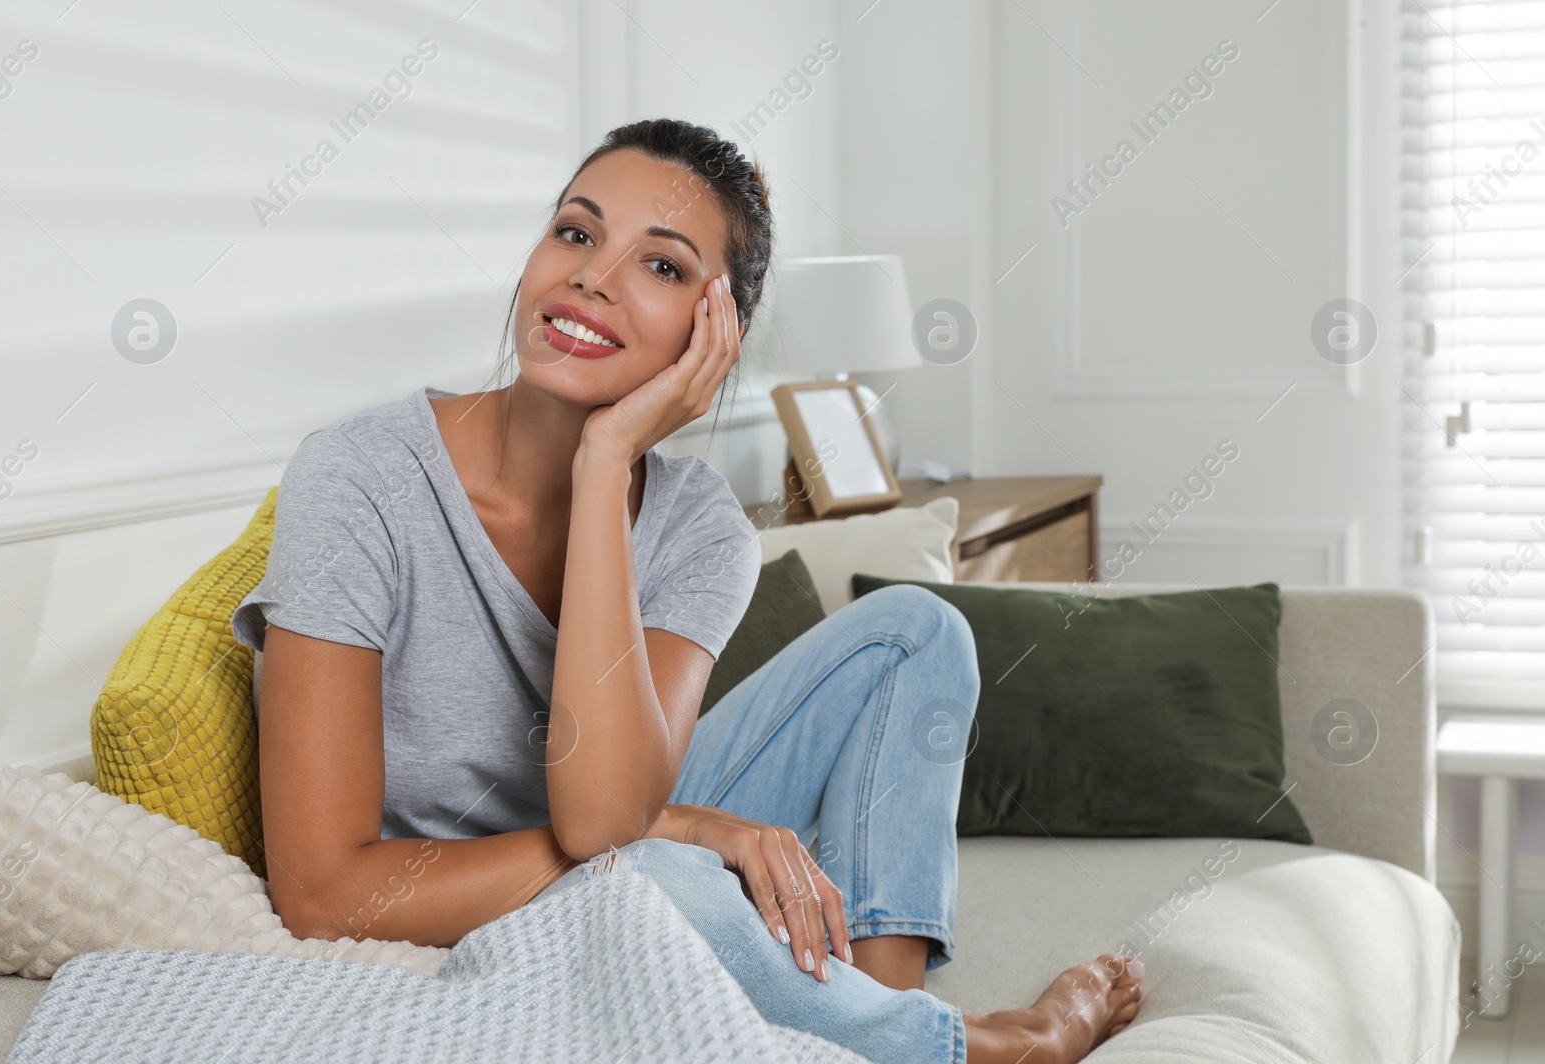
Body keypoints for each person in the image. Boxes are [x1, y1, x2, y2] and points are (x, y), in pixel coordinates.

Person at [232, 117, 1142, 1064]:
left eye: (661, 267)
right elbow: (327, 896)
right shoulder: (358, 477)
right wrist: (687, 832)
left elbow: (603, 808)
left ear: (717, 337)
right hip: (473, 895)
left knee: (917, 631)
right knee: (661, 878)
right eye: (576, 234)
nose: (590, 276)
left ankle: (875, 1020)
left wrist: (605, 464)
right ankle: (984, 1048)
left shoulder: (700, 522)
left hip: (612, 823)